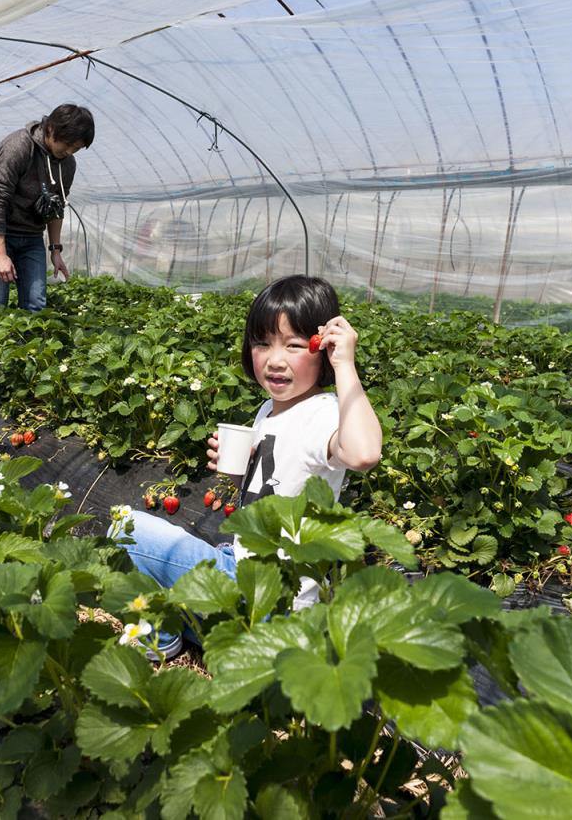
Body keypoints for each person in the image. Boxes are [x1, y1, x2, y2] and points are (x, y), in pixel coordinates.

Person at [112, 275, 383, 658]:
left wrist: (346, 367)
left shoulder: (322, 413)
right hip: (245, 571)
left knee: (128, 526)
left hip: (275, 602)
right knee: (212, 547)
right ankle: (199, 629)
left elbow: (364, 454)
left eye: (293, 345)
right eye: (262, 343)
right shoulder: (268, 411)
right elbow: (276, 480)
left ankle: (163, 638)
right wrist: (235, 474)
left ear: (322, 348)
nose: (275, 360)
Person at [0, 104, 94, 311]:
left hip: (31, 236)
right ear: (51, 129)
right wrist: (0, 254)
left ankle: (30, 344)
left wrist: (55, 250)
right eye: (68, 144)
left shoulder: (67, 164)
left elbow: (56, 206)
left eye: (76, 148)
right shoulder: (19, 147)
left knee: (36, 303)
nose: (70, 151)